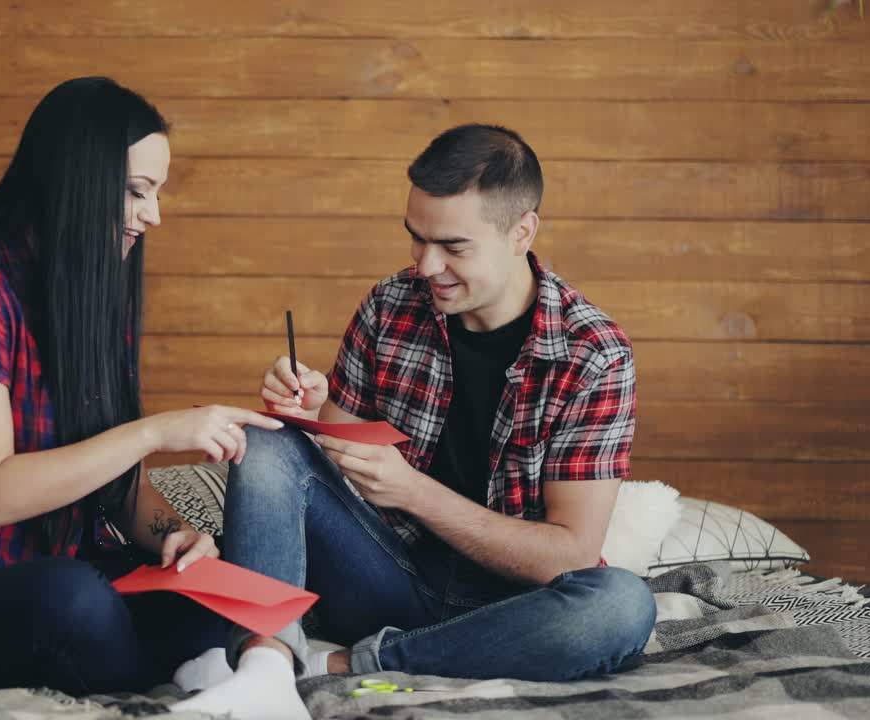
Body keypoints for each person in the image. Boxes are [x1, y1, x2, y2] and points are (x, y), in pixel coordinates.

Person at [177, 124, 657, 720]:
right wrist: (305, 420)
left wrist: (413, 491)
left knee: (621, 605)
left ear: (521, 232)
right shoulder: (390, 305)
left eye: (453, 246)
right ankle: (265, 664)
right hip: (380, 576)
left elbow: (568, 557)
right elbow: (327, 462)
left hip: (512, 612)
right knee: (263, 441)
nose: (427, 266)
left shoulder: (594, 355)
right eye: (416, 239)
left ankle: (340, 666)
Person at [0, 77, 284, 696]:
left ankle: (198, 672)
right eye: (136, 193)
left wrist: (172, 535)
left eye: (155, 193)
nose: (154, 215)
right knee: (75, 601)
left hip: (44, 571)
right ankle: (166, 685)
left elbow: (117, 486)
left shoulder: (90, 296)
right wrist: (155, 430)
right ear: (76, 182)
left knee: (211, 589)